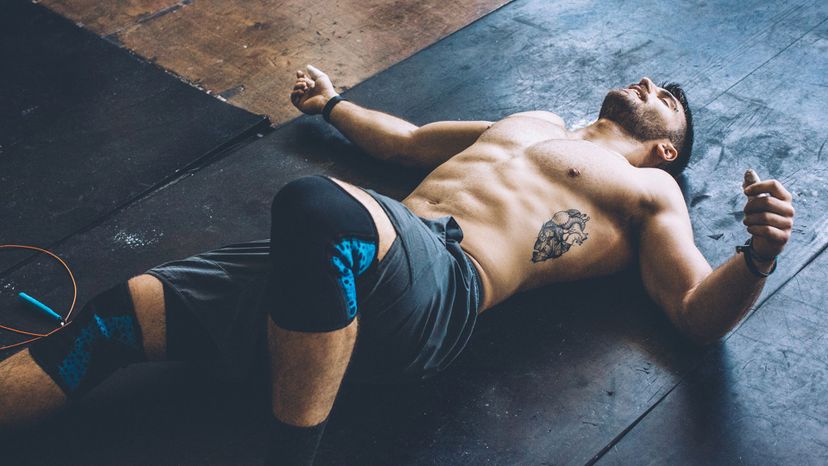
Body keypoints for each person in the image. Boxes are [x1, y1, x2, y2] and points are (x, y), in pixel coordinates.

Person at [0, 65, 795, 465]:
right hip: (350, 258)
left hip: (439, 285)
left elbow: (695, 311)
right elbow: (409, 142)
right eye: (654, 80)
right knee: (105, 323)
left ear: (667, 146)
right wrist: (334, 105)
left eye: (670, 100)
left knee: (318, 208)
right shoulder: (532, 119)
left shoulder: (651, 186)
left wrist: (756, 255)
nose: (650, 84)